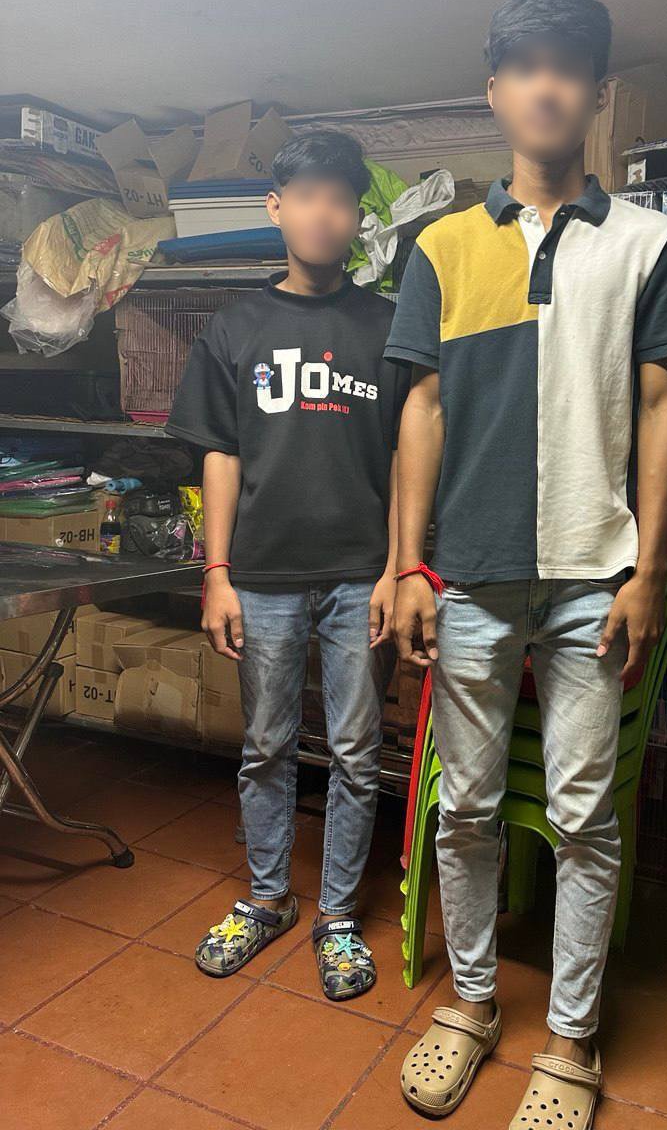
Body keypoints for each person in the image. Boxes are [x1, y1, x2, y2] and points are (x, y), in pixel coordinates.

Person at [386, 0, 667, 1127]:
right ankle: (472, 1003)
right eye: (525, 65)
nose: (547, 86)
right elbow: (422, 409)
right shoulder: (439, 245)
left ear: (597, 91)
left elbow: (663, 403)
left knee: (582, 816)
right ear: (495, 90)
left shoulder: (649, 242)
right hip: (470, 577)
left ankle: (571, 1038)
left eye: (569, 66)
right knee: (465, 809)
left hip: (593, 577)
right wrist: (405, 565)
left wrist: (648, 572)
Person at [166, 130, 407, 1000]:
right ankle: (268, 898)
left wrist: (400, 569)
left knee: (355, 750)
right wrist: (216, 572)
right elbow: (220, 456)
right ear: (276, 208)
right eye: (305, 196)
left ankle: (337, 916)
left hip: (361, 574)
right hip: (260, 575)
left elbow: (409, 458)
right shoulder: (236, 327)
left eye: (340, 199)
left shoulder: (387, 325)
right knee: (266, 745)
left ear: (357, 216)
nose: (322, 214)